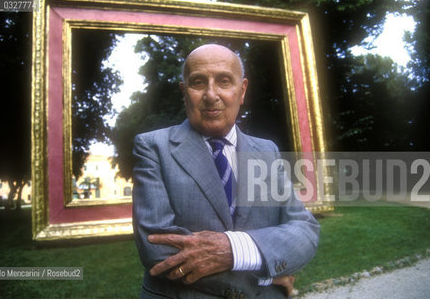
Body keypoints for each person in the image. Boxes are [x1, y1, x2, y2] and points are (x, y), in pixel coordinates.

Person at [132, 44, 320, 298]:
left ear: (242, 91)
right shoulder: (152, 147)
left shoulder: (267, 151)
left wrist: (234, 250)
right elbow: (158, 249)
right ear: (183, 92)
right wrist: (263, 277)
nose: (211, 94)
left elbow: (304, 229)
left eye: (224, 81)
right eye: (198, 82)